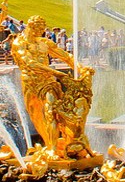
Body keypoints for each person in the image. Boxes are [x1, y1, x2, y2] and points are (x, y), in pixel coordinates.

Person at [11, 15, 95, 160]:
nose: (42, 33)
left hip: (48, 82)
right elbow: (30, 64)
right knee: (38, 117)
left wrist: (82, 68)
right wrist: (57, 73)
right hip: (31, 83)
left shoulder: (44, 42)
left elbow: (66, 57)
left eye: (43, 30)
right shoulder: (19, 43)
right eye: (39, 30)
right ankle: (50, 145)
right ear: (32, 27)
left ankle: (54, 148)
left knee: (52, 111)